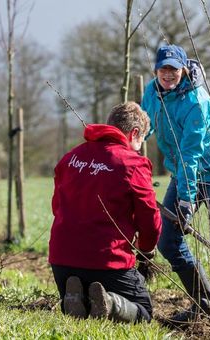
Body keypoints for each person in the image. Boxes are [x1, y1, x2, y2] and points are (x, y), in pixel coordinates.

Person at [140, 44, 210, 330]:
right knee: (167, 240)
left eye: (173, 69)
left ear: (184, 69)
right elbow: (146, 123)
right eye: (163, 69)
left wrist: (186, 202)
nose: (168, 74)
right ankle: (204, 304)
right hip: (184, 170)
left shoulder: (196, 101)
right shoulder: (152, 90)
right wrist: (129, 142)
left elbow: (191, 155)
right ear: (156, 70)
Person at [48, 102, 161, 323]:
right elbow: (149, 218)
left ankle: (75, 298)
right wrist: (146, 250)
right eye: (140, 141)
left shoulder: (70, 158)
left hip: (62, 260)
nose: (139, 147)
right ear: (134, 133)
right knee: (144, 312)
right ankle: (111, 303)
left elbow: (56, 207)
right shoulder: (132, 163)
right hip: (108, 261)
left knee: (86, 293)